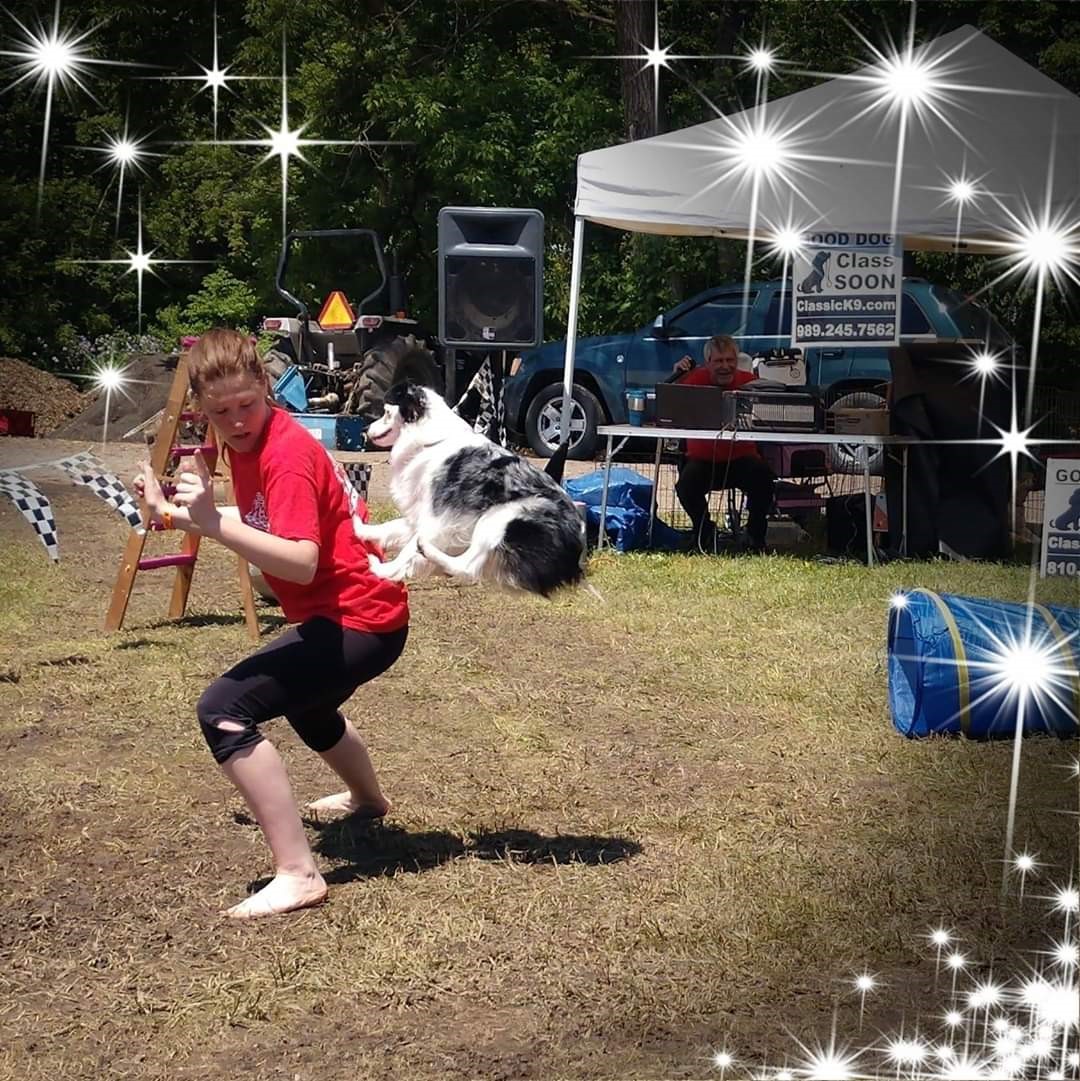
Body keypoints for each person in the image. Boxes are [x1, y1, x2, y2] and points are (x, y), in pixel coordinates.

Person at [136, 328, 409, 919]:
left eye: (247, 404)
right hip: (362, 614)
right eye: (220, 412)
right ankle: (368, 800)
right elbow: (257, 518)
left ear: (266, 384)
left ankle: (298, 874)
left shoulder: (284, 454)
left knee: (224, 710)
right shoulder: (254, 440)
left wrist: (211, 524)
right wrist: (172, 513)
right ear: (203, 407)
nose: (236, 420)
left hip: (359, 619)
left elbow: (300, 560)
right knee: (309, 705)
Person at [671, 334, 777, 553]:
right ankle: (704, 532)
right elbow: (669, 405)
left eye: (730, 360)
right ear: (708, 362)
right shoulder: (692, 379)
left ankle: (755, 536)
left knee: (764, 478)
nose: (725, 366)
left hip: (741, 459)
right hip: (703, 461)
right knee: (686, 485)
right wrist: (677, 377)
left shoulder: (750, 383)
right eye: (719, 361)